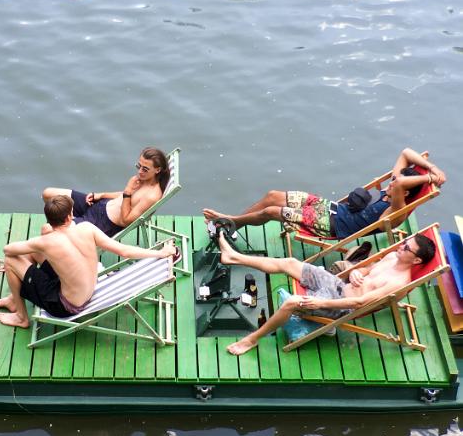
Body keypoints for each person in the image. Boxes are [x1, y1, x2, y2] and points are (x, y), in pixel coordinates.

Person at [216, 230, 436, 356]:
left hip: (340, 306)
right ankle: (233, 257)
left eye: (407, 248)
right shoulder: (392, 257)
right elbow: (367, 270)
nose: (401, 246)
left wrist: (318, 303)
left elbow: (360, 303)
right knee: (289, 262)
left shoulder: (398, 283)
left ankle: (251, 340)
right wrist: (357, 272)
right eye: (404, 242)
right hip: (338, 285)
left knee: (292, 302)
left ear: (417, 260)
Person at [0, 195, 177, 329]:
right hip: (87, 291)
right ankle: (14, 298)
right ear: (70, 216)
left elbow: (8, 250)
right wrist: (160, 253)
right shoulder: (87, 228)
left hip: (64, 306)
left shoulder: (46, 242)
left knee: (11, 261)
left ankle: (21, 317)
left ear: (50, 220)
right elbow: (124, 251)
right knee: (35, 252)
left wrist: (37, 241)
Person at [203, 148, 446, 239]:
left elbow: (401, 184)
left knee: (271, 211)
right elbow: (405, 152)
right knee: (273, 195)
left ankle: (229, 221)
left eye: (396, 184)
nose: (391, 184)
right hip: (331, 208)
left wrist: (428, 179)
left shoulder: (397, 209)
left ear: (405, 192)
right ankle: (234, 224)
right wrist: (433, 169)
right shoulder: (393, 189)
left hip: (331, 226)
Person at [42, 146, 170, 237]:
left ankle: (64, 232)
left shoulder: (151, 196)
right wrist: (101, 195)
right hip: (99, 205)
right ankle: (68, 224)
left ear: (157, 170)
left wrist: (128, 191)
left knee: (47, 230)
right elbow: (124, 197)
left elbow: (125, 220)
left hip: (99, 224)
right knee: (48, 194)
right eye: (139, 166)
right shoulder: (144, 179)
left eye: (145, 169)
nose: (140, 171)